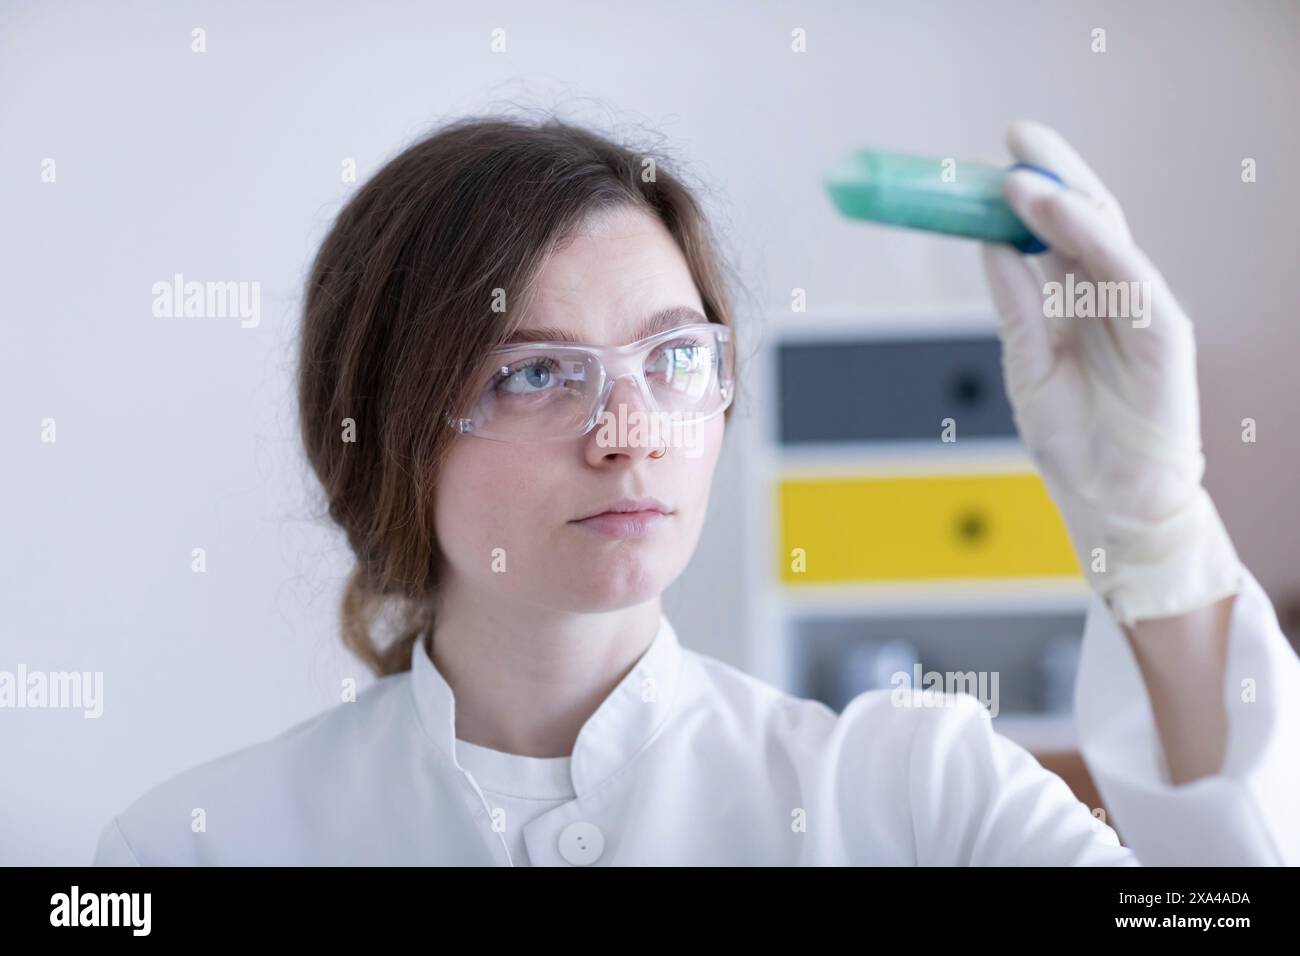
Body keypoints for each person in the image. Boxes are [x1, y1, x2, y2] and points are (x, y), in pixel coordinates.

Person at [92, 115, 1300, 866]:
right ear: (382, 424)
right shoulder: (192, 847)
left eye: (676, 357)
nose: (629, 434)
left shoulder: (910, 793)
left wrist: (1154, 530)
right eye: (535, 373)